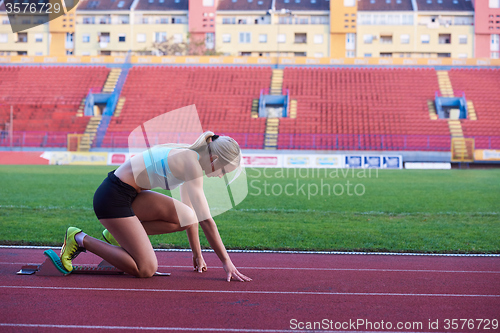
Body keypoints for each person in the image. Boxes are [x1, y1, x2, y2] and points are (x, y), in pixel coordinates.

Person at [60, 131, 251, 282]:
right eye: (223, 171)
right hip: (112, 198)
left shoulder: (192, 159)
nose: (220, 176)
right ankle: (79, 238)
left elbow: (189, 215)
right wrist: (227, 262)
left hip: (131, 196)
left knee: (186, 215)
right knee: (146, 269)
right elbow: (206, 220)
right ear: (215, 158)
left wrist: (197, 254)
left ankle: (114, 236)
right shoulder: (191, 163)